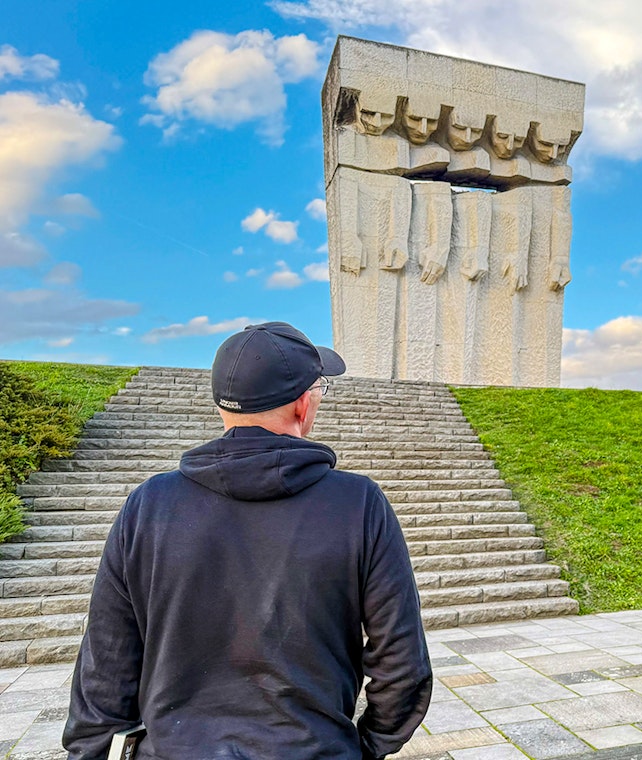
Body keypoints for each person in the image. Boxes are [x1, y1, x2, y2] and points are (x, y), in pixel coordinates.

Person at [64, 322, 433, 760]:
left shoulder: (148, 504)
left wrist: (91, 753)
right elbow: (402, 663)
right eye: (319, 388)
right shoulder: (359, 504)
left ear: (224, 406)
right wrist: (365, 747)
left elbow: (106, 660)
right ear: (302, 404)